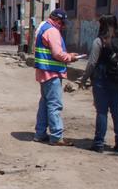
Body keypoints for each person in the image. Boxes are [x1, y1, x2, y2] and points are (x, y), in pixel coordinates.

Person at [33, 8, 82, 146]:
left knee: (45, 104)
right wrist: (70, 57)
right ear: (58, 21)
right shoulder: (53, 31)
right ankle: (56, 136)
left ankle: (40, 133)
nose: (63, 26)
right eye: (62, 23)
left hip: (44, 72)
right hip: (52, 72)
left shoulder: (43, 27)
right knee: (55, 104)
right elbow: (57, 54)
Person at [78, 14, 118, 153]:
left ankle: (98, 143)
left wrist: (84, 79)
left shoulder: (100, 41)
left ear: (101, 25)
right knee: (117, 111)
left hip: (101, 81)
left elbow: (92, 62)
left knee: (102, 112)